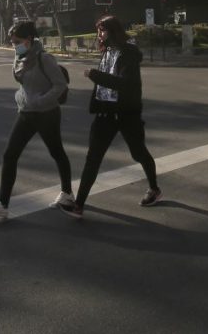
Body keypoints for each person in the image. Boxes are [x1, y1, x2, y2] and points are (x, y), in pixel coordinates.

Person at [59, 15, 161, 219]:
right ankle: (79, 205)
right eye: (98, 30)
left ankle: (154, 188)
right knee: (93, 158)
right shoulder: (106, 51)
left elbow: (125, 83)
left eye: (103, 30)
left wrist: (94, 75)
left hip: (126, 113)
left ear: (114, 32)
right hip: (105, 113)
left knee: (138, 153)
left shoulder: (129, 53)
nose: (99, 34)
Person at [0, 21, 74, 221]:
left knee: (56, 152)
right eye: (12, 42)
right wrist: (20, 97)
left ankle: (67, 193)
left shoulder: (44, 58)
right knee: (10, 155)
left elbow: (60, 85)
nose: (14, 45)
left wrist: (40, 100)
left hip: (46, 113)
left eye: (17, 42)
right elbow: (24, 84)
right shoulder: (20, 57)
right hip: (26, 112)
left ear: (29, 39)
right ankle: (2, 204)